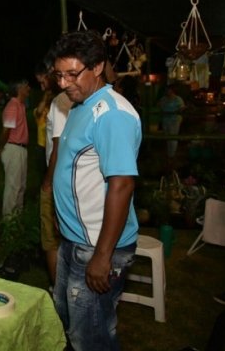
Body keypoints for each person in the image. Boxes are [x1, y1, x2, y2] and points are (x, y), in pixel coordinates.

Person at [50, 30, 142, 351]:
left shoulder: (112, 115)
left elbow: (122, 184)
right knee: (68, 322)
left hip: (97, 246)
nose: (63, 83)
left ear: (98, 67)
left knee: (92, 339)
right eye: (59, 75)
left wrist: (103, 256)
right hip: (75, 241)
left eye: (72, 74)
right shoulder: (80, 104)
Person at [40, 86, 73, 289]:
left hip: (59, 181)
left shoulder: (61, 101)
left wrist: (48, 182)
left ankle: (58, 290)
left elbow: (58, 147)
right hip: (74, 179)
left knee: (51, 238)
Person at [0, 78, 30, 218]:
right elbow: (6, 130)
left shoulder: (20, 105)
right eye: (25, 85)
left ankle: (17, 218)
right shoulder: (13, 106)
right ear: (18, 89)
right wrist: (0, 148)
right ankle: (8, 221)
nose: (28, 87)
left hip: (20, 149)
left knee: (21, 187)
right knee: (13, 187)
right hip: (13, 149)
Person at [33, 60, 55, 177]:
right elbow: (39, 111)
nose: (42, 87)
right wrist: (46, 95)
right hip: (43, 147)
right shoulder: (42, 108)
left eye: (42, 82)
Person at [158, 84, 185, 159]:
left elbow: (182, 108)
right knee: (167, 137)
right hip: (166, 120)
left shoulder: (178, 99)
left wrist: (177, 111)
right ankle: (169, 153)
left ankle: (172, 154)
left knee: (173, 137)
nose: (167, 91)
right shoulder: (164, 99)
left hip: (174, 120)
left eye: (168, 90)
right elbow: (159, 105)